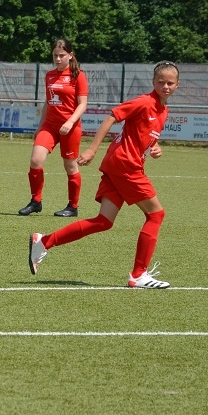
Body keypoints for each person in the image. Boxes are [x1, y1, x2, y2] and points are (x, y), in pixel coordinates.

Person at [29, 61, 179, 289]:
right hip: (125, 165)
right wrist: (92, 149)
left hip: (118, 165)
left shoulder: (163, 110)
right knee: (156, 215)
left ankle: (44, 241)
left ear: (177, 85)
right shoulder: (144, 102)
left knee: (103, 221)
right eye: (161, 82)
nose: (165, 86)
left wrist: (155, 149)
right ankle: (139, 274)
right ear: (153, 82)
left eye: (170, 83)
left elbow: (145, 138)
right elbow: (112, 117)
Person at [19, 39, 89, 217]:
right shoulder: (49, 75)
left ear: (70, 55)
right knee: (36, 160)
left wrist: (70, 122)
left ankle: (72, 207)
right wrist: (40, 126)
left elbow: (82, 104)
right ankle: (36, 201)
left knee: (70, 166)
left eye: (62, 55)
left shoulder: (78, 75)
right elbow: (48, 102)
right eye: (55, 55)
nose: (58, 59)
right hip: (49, 126)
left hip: (70, 127)